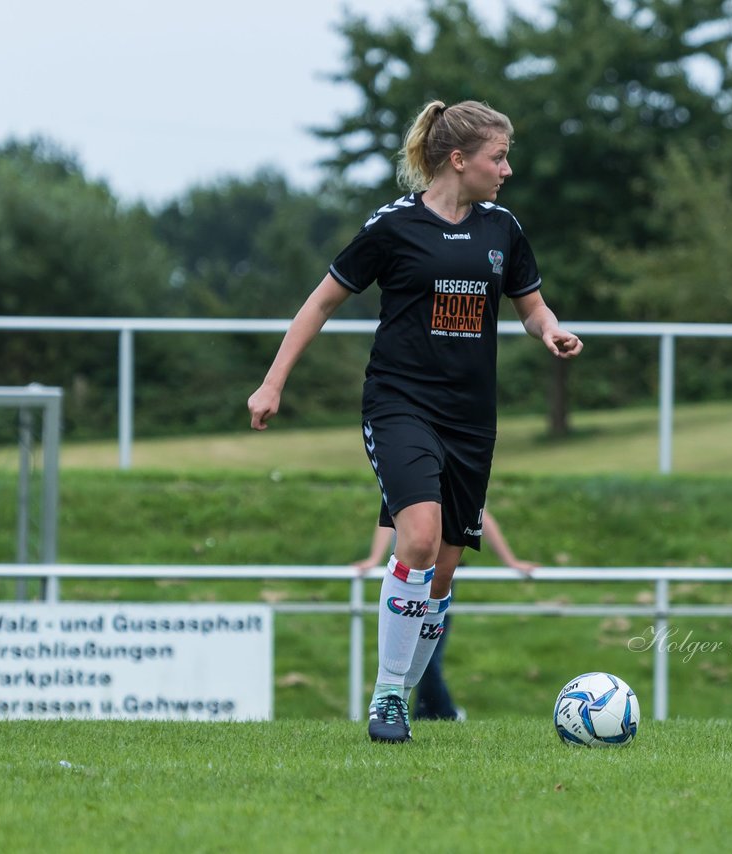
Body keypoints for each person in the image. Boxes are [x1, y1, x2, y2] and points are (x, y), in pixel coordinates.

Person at [247, 99, 582, 743]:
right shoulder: (393, 227)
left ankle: (405, 696)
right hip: (399, 405)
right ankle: (389, 699)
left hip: (471, 419)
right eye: (498, 157)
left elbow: (533, 308)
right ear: (459, 160)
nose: (507, 169)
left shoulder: (503, 230)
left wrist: (552, 331)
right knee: (419, 538)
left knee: (445, 570)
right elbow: (320, 302)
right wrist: (272, 382)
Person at [352, 508, 538, 721]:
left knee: (428, 650)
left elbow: (480, 513)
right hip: (407, 579)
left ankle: (429, 711)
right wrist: (374, 558)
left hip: (438, 578)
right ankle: (430, 710)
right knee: (410, 649)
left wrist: (511, 561)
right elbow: (389, 512)